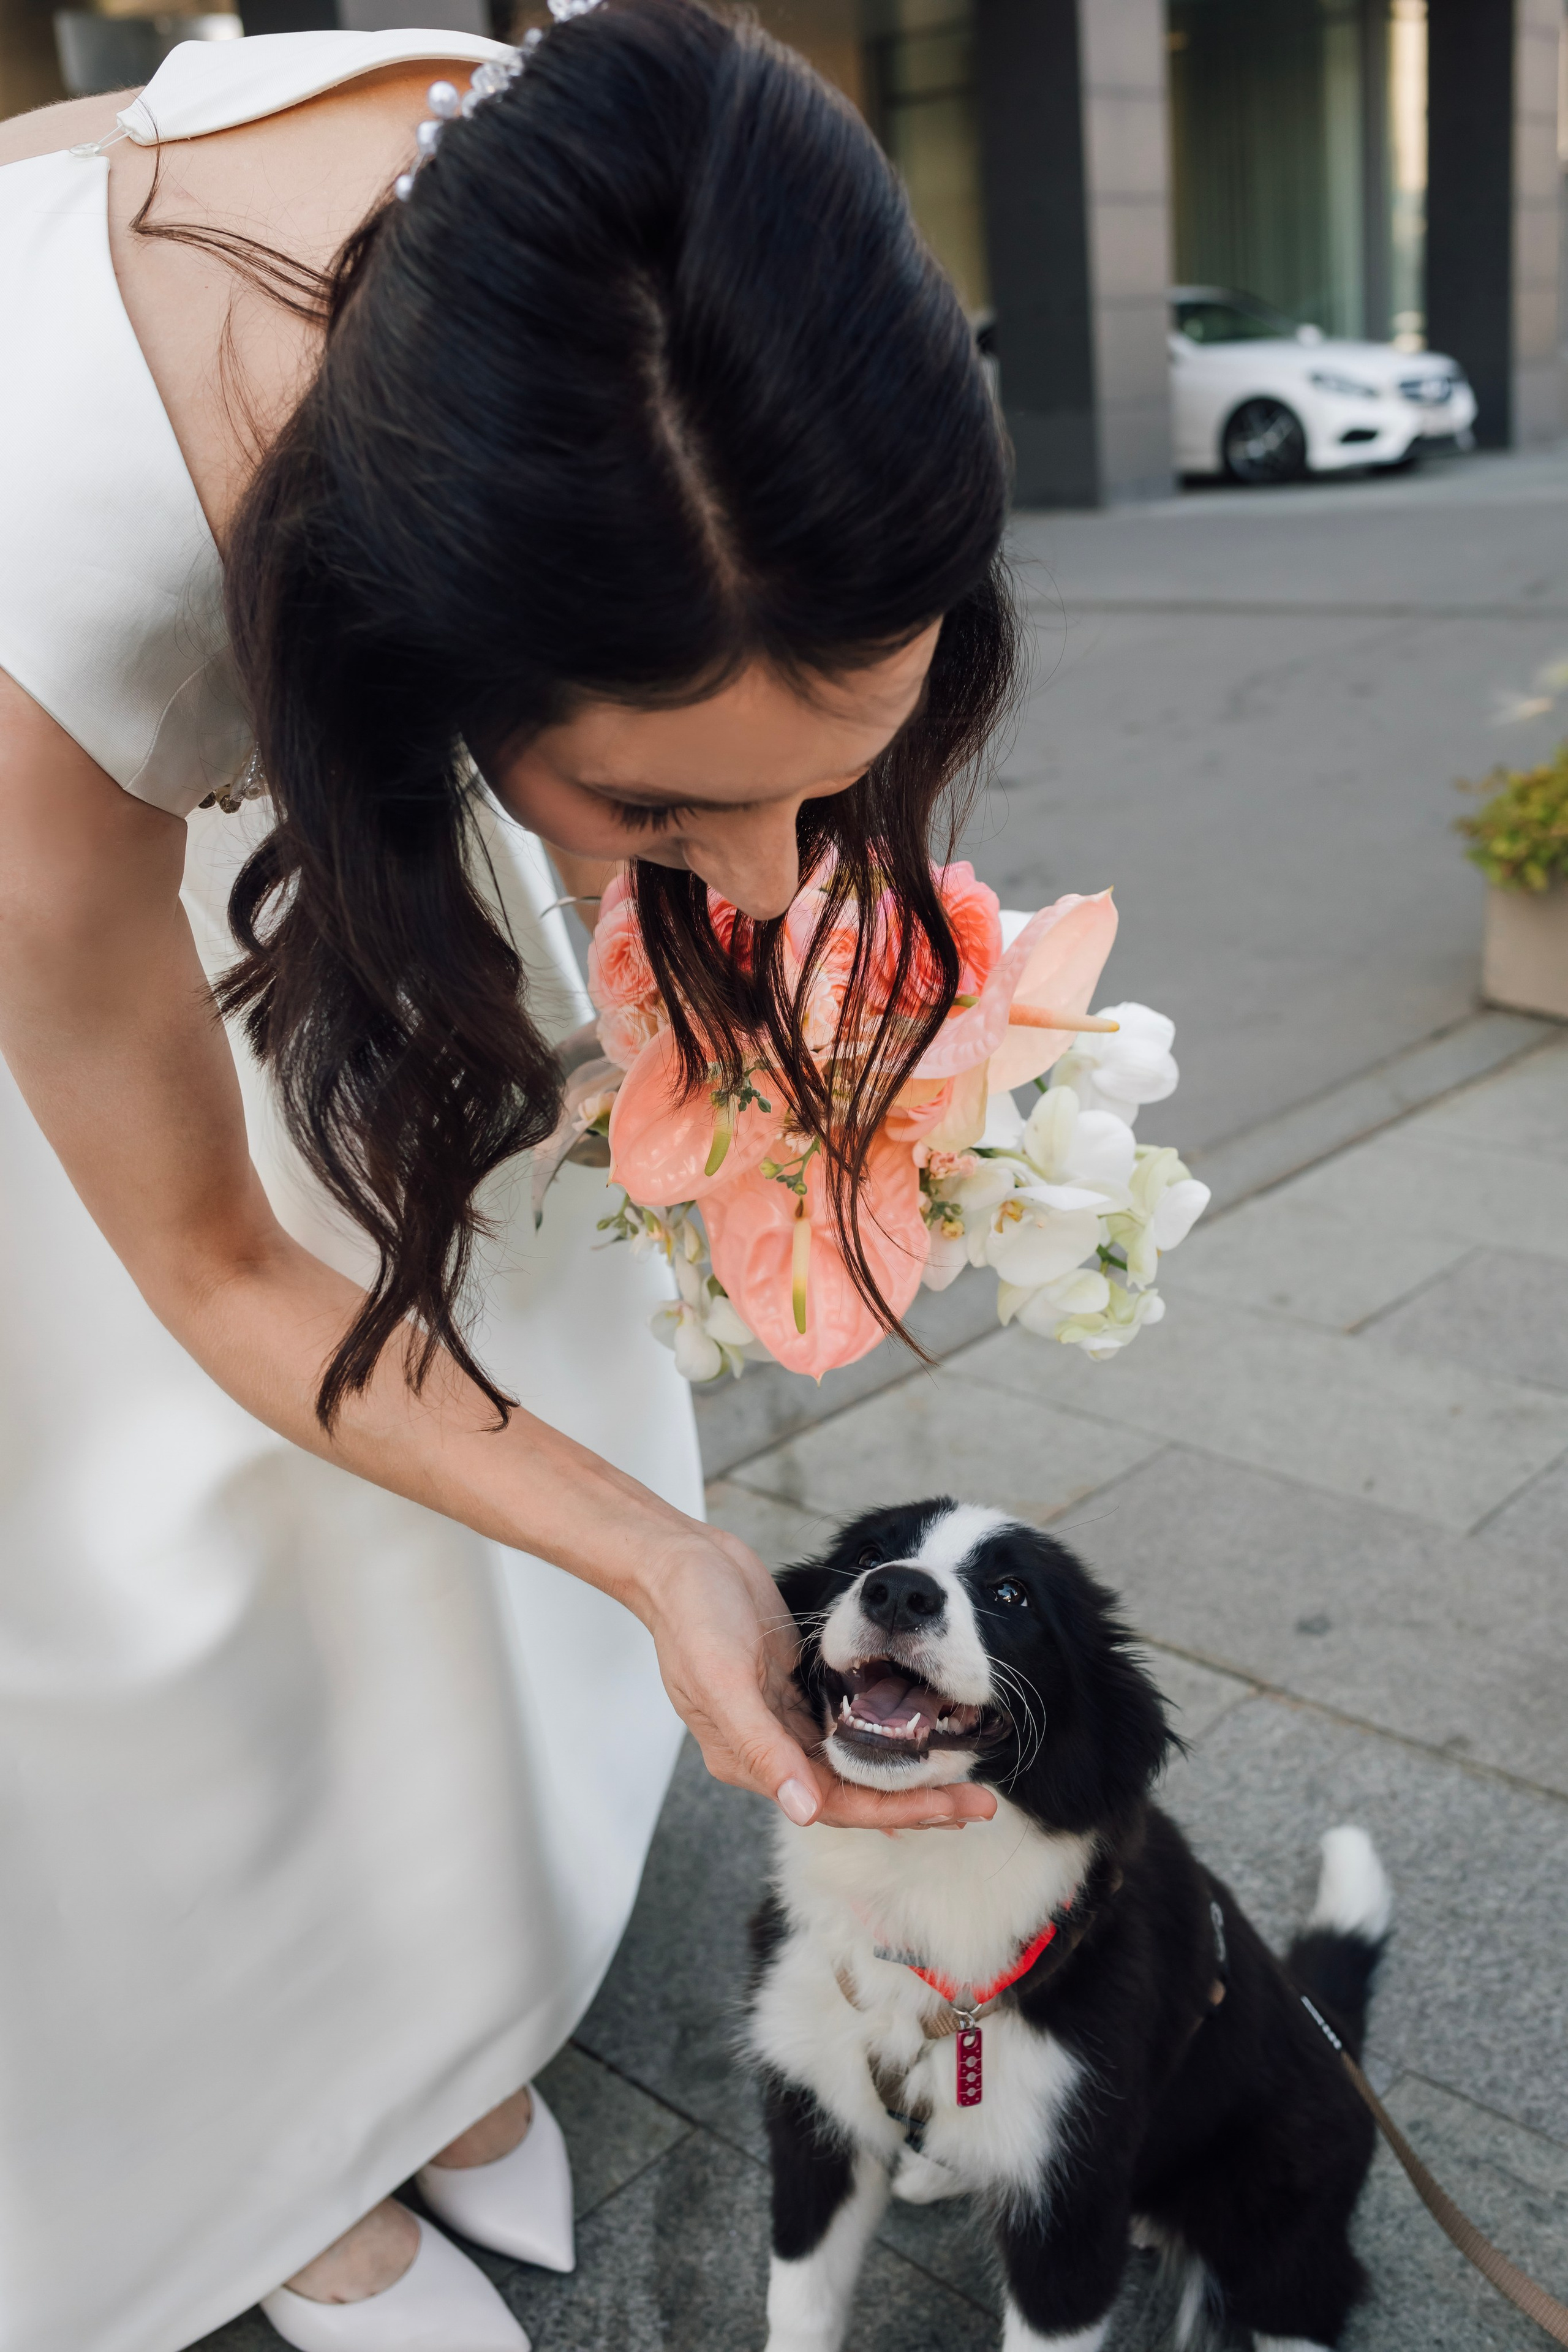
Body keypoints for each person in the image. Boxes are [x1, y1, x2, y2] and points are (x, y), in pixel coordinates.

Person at [0, 4, 1017, 2345]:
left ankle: (428, 2020)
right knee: (141, 1545)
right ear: (414, 623)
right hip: (51, 896)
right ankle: (240, 2154)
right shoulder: (57, 680)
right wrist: (674, 1563)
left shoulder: (596, 225)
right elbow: (206, 1257)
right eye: (666, 819)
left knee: (500, 1341)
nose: (758, 890)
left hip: (378, 706)